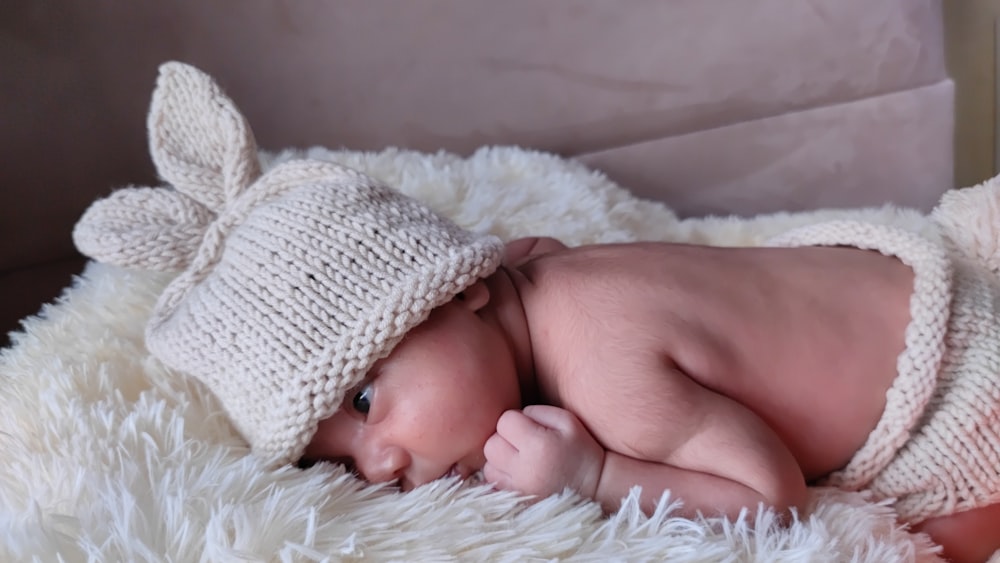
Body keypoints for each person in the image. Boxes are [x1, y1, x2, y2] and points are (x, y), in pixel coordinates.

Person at [74, 62, 1000, 562]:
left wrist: (594, 475)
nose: (378, 463)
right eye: (336, 457)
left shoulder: (607, 368)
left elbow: (775, 498)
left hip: (956, 387)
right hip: (895, 283)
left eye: (361, 402)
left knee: (945, 541)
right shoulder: (533, 276)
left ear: (462, 289)